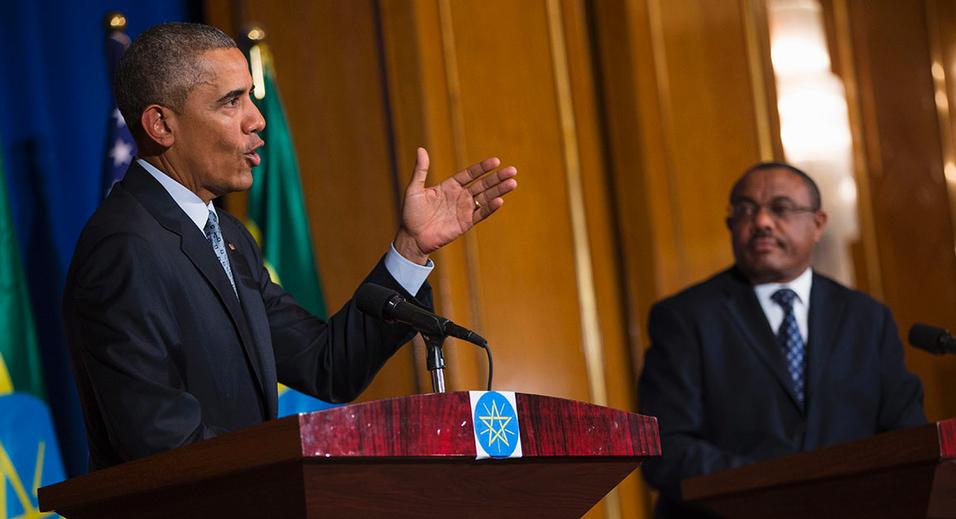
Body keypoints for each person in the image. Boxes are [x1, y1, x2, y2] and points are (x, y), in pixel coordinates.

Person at [63, 22, 517, 471]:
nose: (257, 118)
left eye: (249, 96)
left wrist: (411, 248)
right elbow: (159, 440)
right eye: (231, 101)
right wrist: (294, 468)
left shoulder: (229, 236)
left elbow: (327, 365)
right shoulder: (123, 247)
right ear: (161, 124)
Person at [638, 162, 924, 518]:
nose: (761, 222)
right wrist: (775, 490)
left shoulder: (868, 318)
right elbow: (665, 447)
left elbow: (906, 436)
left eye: (781, 208)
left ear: (818, 224)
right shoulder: (684, 317)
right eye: (745, 209)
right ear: (730, 225)